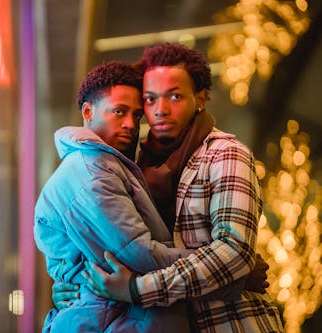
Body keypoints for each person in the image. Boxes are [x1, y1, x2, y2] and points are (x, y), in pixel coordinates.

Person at [81, 42, 284, 332]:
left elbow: (234, 252)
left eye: (174, 96)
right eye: (150, 100)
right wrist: (72, 285)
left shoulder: (224, 154)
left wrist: (139, 289)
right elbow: (115, 248)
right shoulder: (139, 166)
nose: (161, 110)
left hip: (229, 322)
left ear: (200, 98)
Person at [34, 61, 249, 333]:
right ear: (88, 111)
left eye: (137, 115)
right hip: (112, 321)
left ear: (201, 99)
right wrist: (231, 274)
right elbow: (137, 254)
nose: (130, 125)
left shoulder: (121, 165)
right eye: (119, 112)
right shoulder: (91, 170)